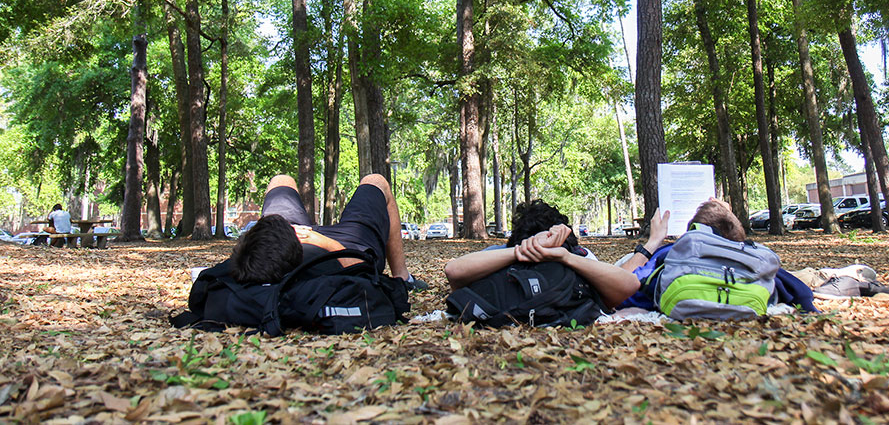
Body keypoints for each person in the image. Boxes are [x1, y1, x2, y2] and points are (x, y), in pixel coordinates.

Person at [231, 173, 426, 290]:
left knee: (281, 180)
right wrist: (322, 242)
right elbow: (363, 269)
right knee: (376, 181)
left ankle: (285, 233)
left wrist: (279, 233)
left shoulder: (253, 265)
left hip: (285, 237)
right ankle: (402, 277)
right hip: (348, 245)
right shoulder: (304, 280)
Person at [617, 199, 817, 312]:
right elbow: (803, 295)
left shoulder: (671, 252)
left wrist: (653, 243)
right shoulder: (755, 259)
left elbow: (621, 286)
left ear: (693, 233)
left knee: (625, 261)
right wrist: (729, 218)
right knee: (808, 274)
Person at [444, 200, 639, 310]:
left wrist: (563, 256)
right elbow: (453, 271)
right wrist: (525, 250)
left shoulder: (574, 256)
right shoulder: (504, 254)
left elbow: (628, 285)